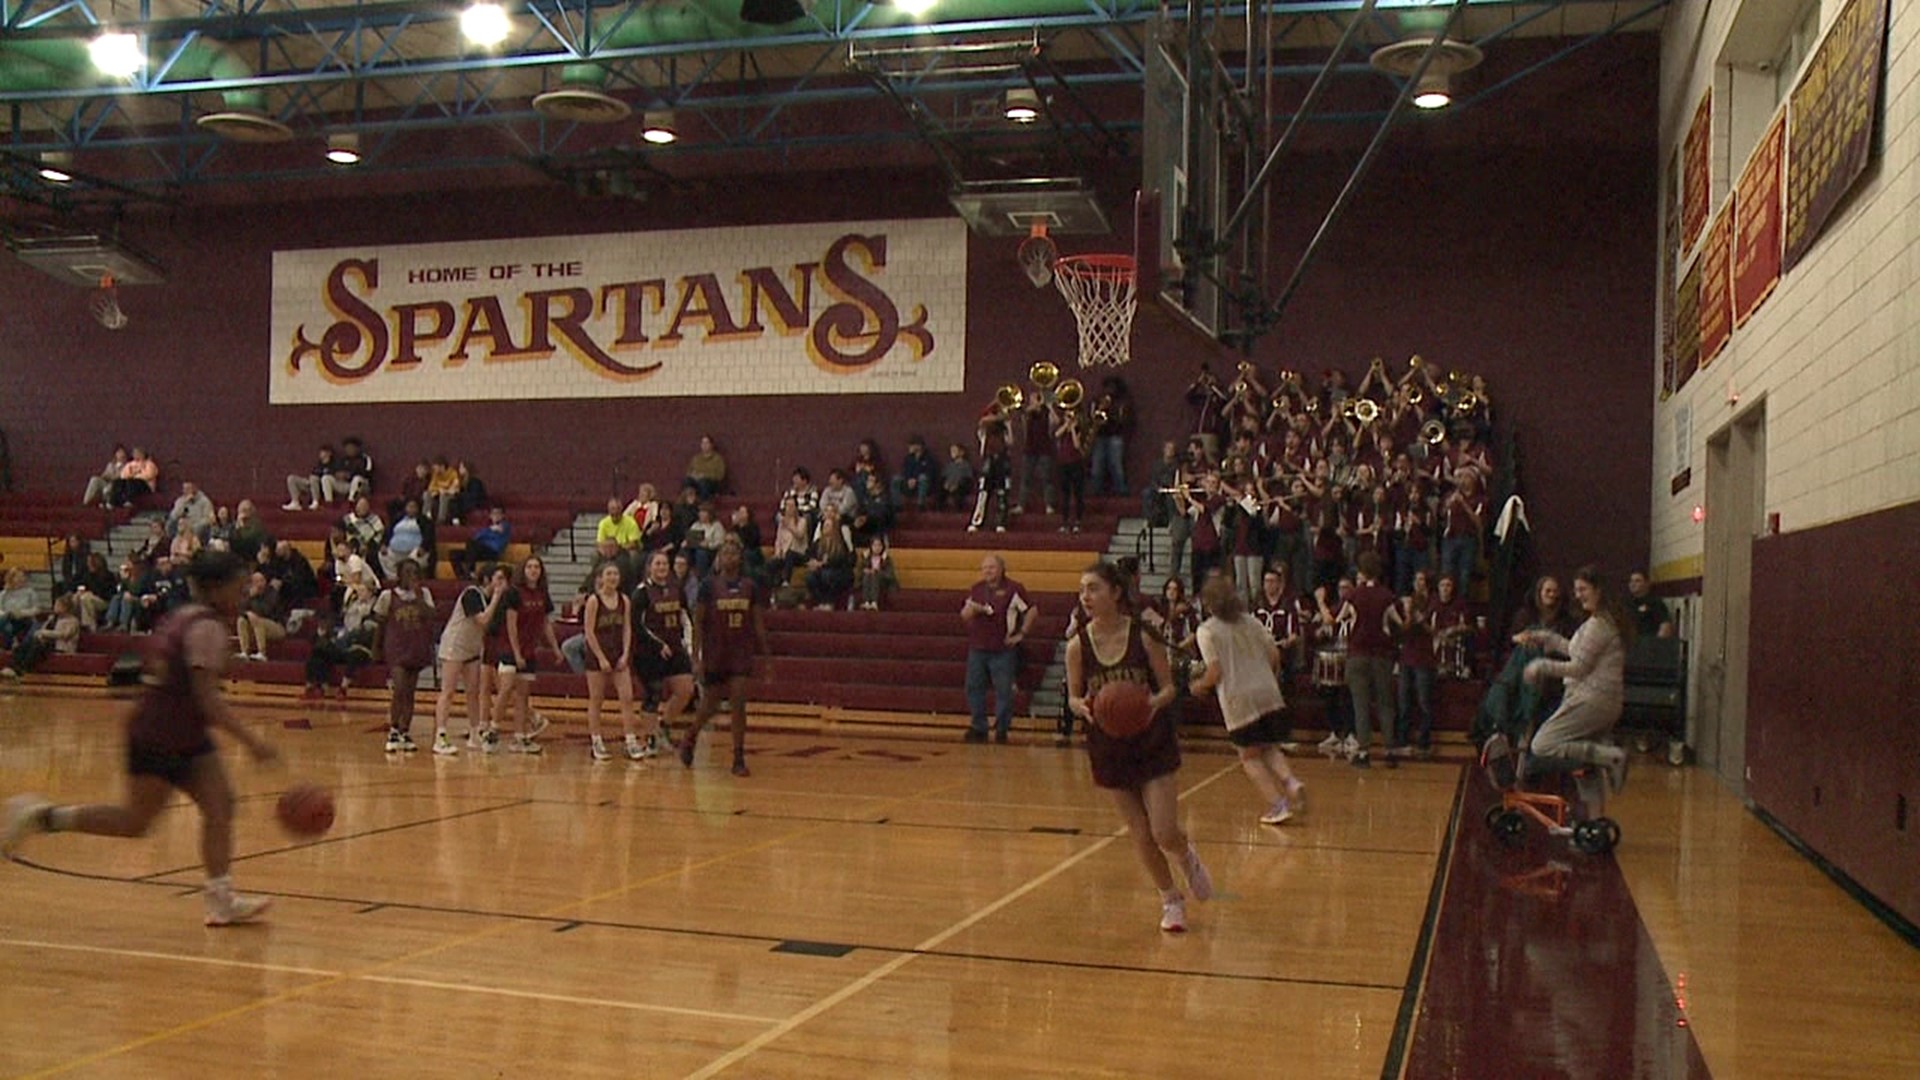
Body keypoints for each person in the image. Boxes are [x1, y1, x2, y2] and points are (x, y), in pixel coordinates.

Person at [2, 550, 280, 927]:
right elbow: (206, 698)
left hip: (179, 729)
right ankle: (43, 816)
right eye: (238, 585)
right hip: (161, 733)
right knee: (135, 823)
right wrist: (252, 741)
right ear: (215, 588)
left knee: (220, 807)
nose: (244, 591)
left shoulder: (186, 616)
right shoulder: (207, 629)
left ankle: (220, 899)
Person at [1065, 561, 1211, 934]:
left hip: (1150, 739)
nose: (1086, 596)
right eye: (1083, 590)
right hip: (1108, 744)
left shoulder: (1143, 636)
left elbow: (1169, 688)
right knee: (1140, 833)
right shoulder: (1077, 646)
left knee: (1163, 830)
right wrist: (1083, 706)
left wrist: (1149, 704)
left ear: (1115, 593)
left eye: (1094, 588)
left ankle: (1186, 855)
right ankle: (1170, 900)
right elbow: (1072, 697)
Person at [1493, 566, 1634, 819]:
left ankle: (1611, 756)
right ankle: (1595, 822)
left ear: (1599, 590)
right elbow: (1577, 651)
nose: (1578, 595)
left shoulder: (1600, 625)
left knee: (1543, 744)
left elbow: (1579, 667)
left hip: (1592, 701)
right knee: (1584, 766)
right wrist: (1547, 638)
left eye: (1583, 589)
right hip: (1602, 702)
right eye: (1576, 590)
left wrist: (1540, 667)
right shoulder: (1599, 622)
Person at [1190, 575, 1306, 825]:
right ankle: (1290, 781)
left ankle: (1278, 805)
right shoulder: (1252, 621)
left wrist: (1198, 686)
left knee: (1250, 756)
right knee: (1269, 746)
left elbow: (1215, 672)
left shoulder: (1206, 631)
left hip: (1238, 699)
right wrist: (1269, 679)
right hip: (1268, 691)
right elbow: (1274, 654)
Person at [679, 539, 768, 778]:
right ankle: (691, 736)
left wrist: (767, 656)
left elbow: (758, 623)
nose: (729, 557)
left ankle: (738, 756)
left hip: (740, 652)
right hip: (715, 652)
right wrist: (696, 657)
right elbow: (698, 622)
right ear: (719, 558)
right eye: (725, 553)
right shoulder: (708, 586)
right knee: (710, 705)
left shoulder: (750, 586)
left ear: (740, 558)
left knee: (738, 701)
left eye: (733, 553)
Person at [960, 553, 1036, 744]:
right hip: (978, 647)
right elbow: (964, 614)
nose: (987, 571)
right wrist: (971, 611)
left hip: (1002, 649)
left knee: (1004, 690)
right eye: (984, 568)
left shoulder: (1014, 589)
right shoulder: (976, 589)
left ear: (1001, 569)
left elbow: (1032, 610)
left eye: (991, 567)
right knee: (973, 688)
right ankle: (979, 727)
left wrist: (1022, 634)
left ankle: (1001, 729)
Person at [432, 563, 506, 756]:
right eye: (498, 579)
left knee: (473, 691)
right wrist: (497, 597)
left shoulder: (491, 599)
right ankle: (440, 735)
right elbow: (482, 619)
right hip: (455, 645)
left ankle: (475, 733)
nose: (502, 583)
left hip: (472, 647)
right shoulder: (472, 593)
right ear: (487, 580)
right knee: (448, 691)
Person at [1336, 552, 1398, 767]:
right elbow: (1397, 622)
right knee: (1385, 704)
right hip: (1381, 655)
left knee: (1360, 704)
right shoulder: (1387, 596)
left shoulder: (1353, 595)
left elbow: (1339, 618)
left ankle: (1364, 753)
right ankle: (1389, 751)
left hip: (1358, 654)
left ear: (1361, 571)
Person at [631, 551, 694, 758]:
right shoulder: (641, 593)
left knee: (686, 689)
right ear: (650, 567)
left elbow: (685, 617)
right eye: (657, 564)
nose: (661, 567)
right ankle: (649, 739)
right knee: (653, 695)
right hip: (649, 653)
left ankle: (663, 726)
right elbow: (637, 626)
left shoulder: (677, 589)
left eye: (664, 564)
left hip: (675, 647)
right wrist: (658, 644)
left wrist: (689, 645)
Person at [494, 556, 559, 754]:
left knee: (523, 696)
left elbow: (546, 623)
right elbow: (511, 625)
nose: (533, 570)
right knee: (506, 688)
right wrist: (516, 653)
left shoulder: (542, 594)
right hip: (510, 648)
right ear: (523, 570)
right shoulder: (513, 593)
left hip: (530, 650)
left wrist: (555, 648)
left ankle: (520, 736)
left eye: (537, 567)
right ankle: (492, 728)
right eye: (529, 566)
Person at [581, 561, 642, 761]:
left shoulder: (624, 600)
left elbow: (627, 628)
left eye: (616, 574)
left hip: (618, 655)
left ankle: (630, 740)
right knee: (597, 699)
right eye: (609, 574)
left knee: (627, 697)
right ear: (601, 577)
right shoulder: (593, 601)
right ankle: (596, 741)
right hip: (598, 656)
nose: (613, 577)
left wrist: (625, 654)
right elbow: (589, 632)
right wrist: (601, 658)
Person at [375, 560, 436, 752]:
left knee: (410, 691)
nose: (412, 576)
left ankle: (405, 730)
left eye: (415, 572)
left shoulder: (424, 594)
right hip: (396, 646)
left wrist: (418, 596)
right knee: (399, 687)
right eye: (408, 572)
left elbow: (431, 615)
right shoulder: (388, 596)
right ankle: (393, 728)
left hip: (416, 645)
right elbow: (380, 624)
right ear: (400, 574)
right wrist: (375, 647)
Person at [1387, 569, 1439, 759]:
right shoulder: (1407, 602)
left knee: (1424, 701)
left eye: (1422, 579)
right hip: (1407, 657)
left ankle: (1424, 741)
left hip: (1424, 658)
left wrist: (1419, 619)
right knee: (1403, 700)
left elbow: (1434, 631)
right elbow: (1402, 630)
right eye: (1416, 579)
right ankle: (1402, 739)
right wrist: (1408, 613)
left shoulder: (1433, 602)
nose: (1419, 583)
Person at [283, 444, 335, 511]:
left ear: (329, 453)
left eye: (323, 452)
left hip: (321, 487)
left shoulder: (334, 464)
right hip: (312, 485)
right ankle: (295, 502)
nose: (321, 454)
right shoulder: (319, 465)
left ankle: (315, 502)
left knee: (314, 478)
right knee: (291, 478)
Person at [1627, 570, 1674, 638]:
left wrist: (1655, 644)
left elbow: (1665, 626)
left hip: (1647, 643)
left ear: (1647, 583)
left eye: (1637, 581)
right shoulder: (1626, 603)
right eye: (1631, 581)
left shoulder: (1655, 603)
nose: (1633, 584)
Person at [856, 535, 898, 611]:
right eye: (875, 545)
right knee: (867, 574)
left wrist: (878, 572)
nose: (877, 548)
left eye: (879, 545)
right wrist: (866, 567)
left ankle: (874, 602)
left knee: (874, 574)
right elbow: (859, 572)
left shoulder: (886, 559)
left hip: (882, 582)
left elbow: (890, 575)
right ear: (871, 546)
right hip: (867, 581)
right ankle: (866, 601)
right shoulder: (865, 557)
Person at [684, 434, 728, 499]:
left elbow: (720, 475)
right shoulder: (696, 459)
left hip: (710, 483)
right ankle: (689, 503)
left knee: (703, 483)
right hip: (696, 482)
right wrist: (694, 476)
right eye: (703, 443)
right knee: (687, 481)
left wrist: (704, 476)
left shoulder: (718, 459)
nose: (704, 445)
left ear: (711, 445)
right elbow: (689, 472)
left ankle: (703, 504)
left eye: (706, 443)